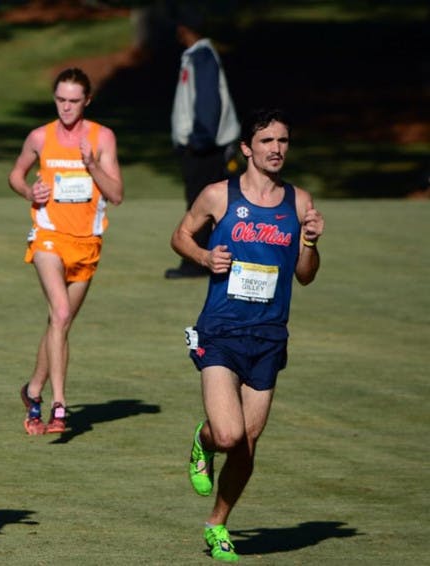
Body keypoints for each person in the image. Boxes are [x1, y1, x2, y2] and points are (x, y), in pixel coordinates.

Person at [170, 109, 324, 563]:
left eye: (283, 141)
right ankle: (204, 440)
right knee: (229, 434)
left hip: (269, 336)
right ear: (246, 148)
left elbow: (306, 275)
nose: (276, 149)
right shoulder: (219, 195)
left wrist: (310, 243)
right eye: (267, 141)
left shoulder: (299, 202)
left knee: (247, 445)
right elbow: (181, 236)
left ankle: (217, 523)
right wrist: (204, 257)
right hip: (220, 330)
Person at [7, 68, 123, 435]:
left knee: (60, 323)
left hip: (86, 244)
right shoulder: (40, 137)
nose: (66, 107)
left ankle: (32, 390)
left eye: (74, 101)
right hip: (48, 236)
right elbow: (16, 174)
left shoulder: (102, 138)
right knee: (59, 312)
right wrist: (29, 192)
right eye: (60, 100)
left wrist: (92, 165)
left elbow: (116, 194)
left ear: (87, 100)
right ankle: (58, 405)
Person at [165, 10, 239, 279]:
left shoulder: (203, 57)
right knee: (205, 203)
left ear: (184, 29)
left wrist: (198, 141)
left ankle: (196, 263)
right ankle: (206, 260)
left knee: (201, 206)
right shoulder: (196, 55)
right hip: (200, 146)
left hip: (204, 148)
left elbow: (207, 103)